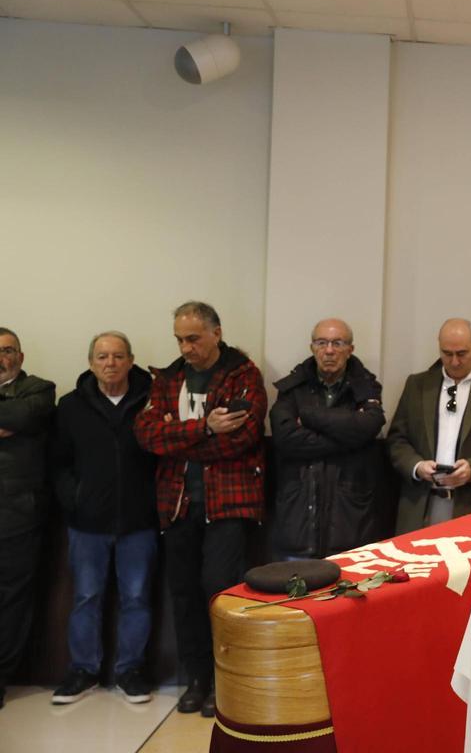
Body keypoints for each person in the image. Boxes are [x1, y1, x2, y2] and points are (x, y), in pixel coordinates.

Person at [134, 302, 266, 718]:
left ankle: (224, 682)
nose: (185, 347)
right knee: (185, 595)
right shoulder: (167, 378)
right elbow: (149, 435)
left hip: (227, 504)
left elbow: (239, 439)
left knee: (220, 594)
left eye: (193, 338)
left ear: (216, 333)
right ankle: (197, 680)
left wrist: (181, 438)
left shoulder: (243, 374)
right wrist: (204, 426)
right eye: (179, 339)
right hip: (176, 505)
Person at [51, 332, 158, 705]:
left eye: (117, 356)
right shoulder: (70, 406)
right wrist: (74, 499)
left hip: (139, 522)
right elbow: (58, 462)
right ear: (90, 362)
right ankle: (83, 670)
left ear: (131, 360)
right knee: (85, 597)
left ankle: (130, 670)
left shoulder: (153, 400)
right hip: (87, 523)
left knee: (137, 598)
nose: (110, 363)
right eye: (102, 357)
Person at [386, 318, 471, 533]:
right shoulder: (417, 384)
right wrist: (417, 467)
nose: (455, 361)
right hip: (420, 505)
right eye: (447, 354)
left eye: (462, 353)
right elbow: (397, 439)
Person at [270, 318, 386, 559]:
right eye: (322, 343)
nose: (329, 350)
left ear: (350, 349)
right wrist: (348, 437)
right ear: (312, 348)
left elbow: (369, 426)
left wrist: (308, 417)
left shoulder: (367, 387)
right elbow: (286, 438)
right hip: (299, 518)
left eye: (338, 343)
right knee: (296, 595)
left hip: (350, 521)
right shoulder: (292, 388)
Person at [0, 328, 55, 710]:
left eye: (7, 350)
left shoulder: (39, 389)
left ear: (20, 355)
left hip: (18, 512)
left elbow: (24, 415)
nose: (1, 357)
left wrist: (14, 420)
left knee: (12, 599)